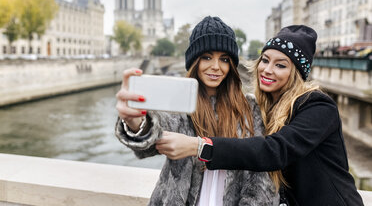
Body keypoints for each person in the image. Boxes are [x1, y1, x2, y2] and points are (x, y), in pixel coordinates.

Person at [158, 25, 364, 206]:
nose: (267, 70)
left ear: (296, 73)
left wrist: (200, 146)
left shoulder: (317, 106)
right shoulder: (264, 107)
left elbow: (274, 150)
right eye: (265, 60)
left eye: (280, 65)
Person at [115, 16, 278, 205]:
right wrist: (135, 122)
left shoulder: (250, 109)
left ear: (231, 65)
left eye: (224, 59)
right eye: (207, 57)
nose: (216, 67)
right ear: (195, 62)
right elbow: (156, 132)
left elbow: (259, 179)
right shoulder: (181, 105)